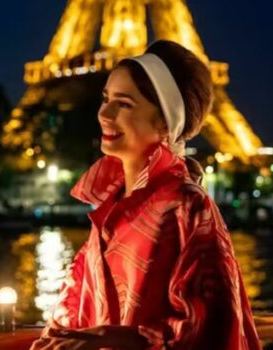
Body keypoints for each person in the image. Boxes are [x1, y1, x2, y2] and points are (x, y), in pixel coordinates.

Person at [31, 41, 261, 350]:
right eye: (105, 99)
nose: (104, 113)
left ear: (165, 121)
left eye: (123, 103)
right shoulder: (113, 205)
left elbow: (211, 327)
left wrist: (113, 337)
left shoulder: (187, 204)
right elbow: (73, 304)